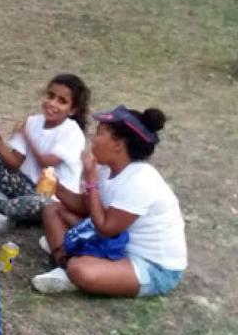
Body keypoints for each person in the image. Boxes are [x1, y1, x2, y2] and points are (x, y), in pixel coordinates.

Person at [33, 106, 186, 298]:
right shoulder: (107, 169)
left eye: (99, 134)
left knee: (81, 270)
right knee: (52, 210)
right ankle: (65, 262)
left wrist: (91, 181)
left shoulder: (140, 180)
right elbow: (84, 207)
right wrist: (55, 186)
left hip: (151, 266)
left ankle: (72, 267)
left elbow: (106, 228)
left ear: (119, 144)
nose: (93, 139)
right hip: (114, 245)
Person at [0, 74, 89, 221]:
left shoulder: (72, 132)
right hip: (24, 185)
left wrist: (27, 137)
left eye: (62, 101)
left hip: (52, 196)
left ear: (72, 110)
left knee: (45, 204)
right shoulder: (32, 122)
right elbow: (14, 163)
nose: (52, 103)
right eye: (50, 96)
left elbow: (46, 164)